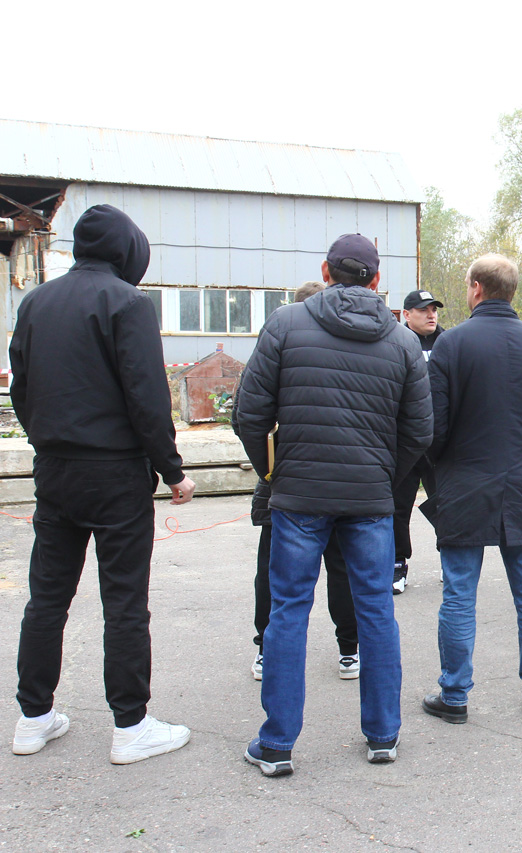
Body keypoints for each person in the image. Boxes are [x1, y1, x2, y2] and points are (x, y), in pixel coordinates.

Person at [235, 233, 431, 776]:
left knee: (287, 614)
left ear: (325, 271)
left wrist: (273, 471)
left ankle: (276, 744)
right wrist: (385, 478)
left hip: (297, 497)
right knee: (376, 612)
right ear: (375, 280)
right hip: (369, 499)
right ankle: (383, 736)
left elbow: (249, 415)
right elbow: (420, 431)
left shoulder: (285, 324)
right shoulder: (401, 342)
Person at [9, 204, 196, 764]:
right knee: (123, 601)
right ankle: (130, 725)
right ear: (127, 251)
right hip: (114, 474)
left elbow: (20, 384)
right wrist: (172, 470)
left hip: (55, 468)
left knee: (47, 597)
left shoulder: (36, 301)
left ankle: (32, 717)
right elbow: (147, 396)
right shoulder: (128, 303)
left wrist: (46, 436)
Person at [420, 254, 522, 724]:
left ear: (477, 288)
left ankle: (455, 695)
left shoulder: (451, 345)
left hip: (463, 483)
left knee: (460, 594)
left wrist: (445, 463)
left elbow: (433, 427)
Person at [238, 281, 360, 682]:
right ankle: (345, 649)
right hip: (331, 482)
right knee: (327, 569)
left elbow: (247, 413)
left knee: (280, 574)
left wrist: (269, 473)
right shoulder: (336, 343)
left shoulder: (287, 339)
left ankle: (274, 649)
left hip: (290, 481)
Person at [392, 289, 447, 593]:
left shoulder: (448, 342)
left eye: (434, 309)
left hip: (439, 441)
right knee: (398, 507)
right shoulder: (396, 342)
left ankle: (449, 558)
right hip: (405, 441)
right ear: (407, 314)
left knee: (446, 503)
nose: (431, 315)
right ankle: (398, 564)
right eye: (423, 310)